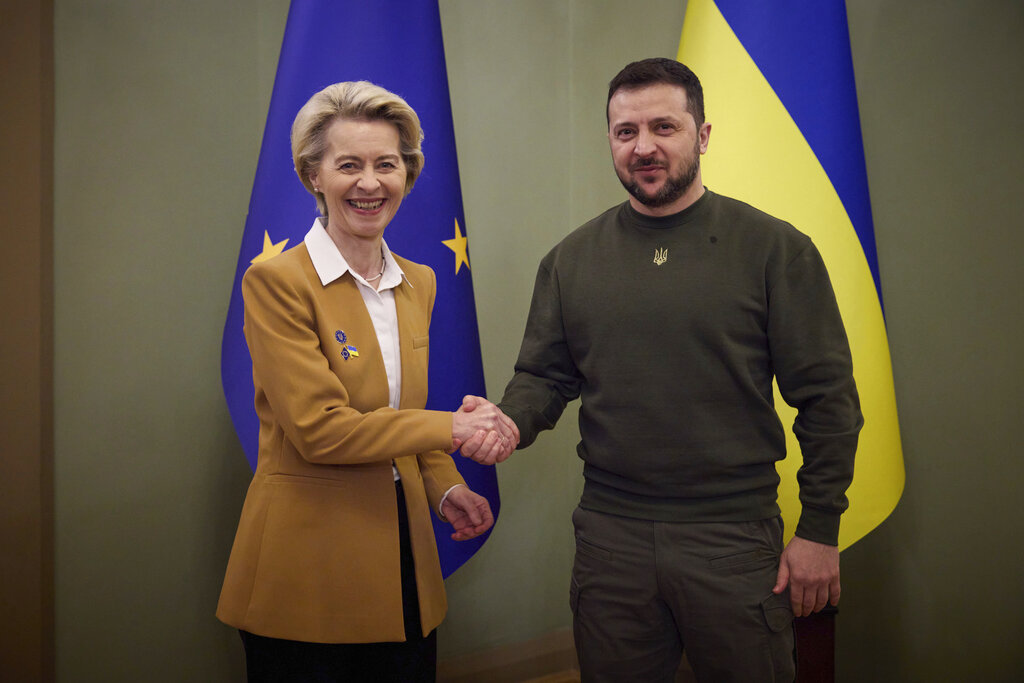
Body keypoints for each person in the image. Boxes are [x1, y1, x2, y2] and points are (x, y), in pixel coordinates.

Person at [459, 58, 862, 682]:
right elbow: (544, 376)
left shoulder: (776, 250)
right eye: (625, 132)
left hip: (733, 538)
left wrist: (819, 529)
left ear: (702, 136)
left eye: (663, 127)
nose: (643, 147)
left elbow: (829, 399)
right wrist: (507, 421)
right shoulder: (569, 260)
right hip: (610, 539)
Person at [216, 81, 517, 682]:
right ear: (313, 176)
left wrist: (446, 488)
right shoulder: (275, 282)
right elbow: (321, 432)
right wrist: (458, 428)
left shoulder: (420, 281)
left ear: (407, 174)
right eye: (348, 165)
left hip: (402, 563)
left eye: (388, 164)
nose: (370, 183)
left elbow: (401, 416)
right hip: (305, 573)